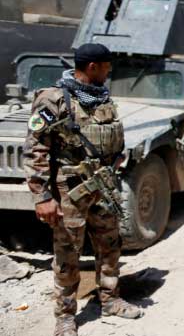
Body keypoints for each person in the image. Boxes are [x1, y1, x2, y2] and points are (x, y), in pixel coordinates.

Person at [23, 43, 142, 336]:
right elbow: (34, 149)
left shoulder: (101, 96)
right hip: (70, 191)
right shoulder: (53, 99)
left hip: (102, 186)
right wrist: (42, 196)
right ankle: (65, 317)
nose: (109, 71)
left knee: (110, 245)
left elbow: (109, 136)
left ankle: (110, 299)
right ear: (92, 67)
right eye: (105, 67)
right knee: (67, 254)